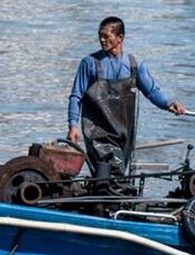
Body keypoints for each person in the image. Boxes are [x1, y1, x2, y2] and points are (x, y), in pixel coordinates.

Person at [66, 16, 186, 183]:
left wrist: (169, 104)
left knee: (118, 176)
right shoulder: (90, 63)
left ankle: (112, 204)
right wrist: (72, 125)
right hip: (97, 132)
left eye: (107, 36)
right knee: (108, 171)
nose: (102, 40)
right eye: (100, 35)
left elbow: (152, 91)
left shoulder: (134, 65)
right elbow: (76, 95)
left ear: (120, 38)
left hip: (124, 133)